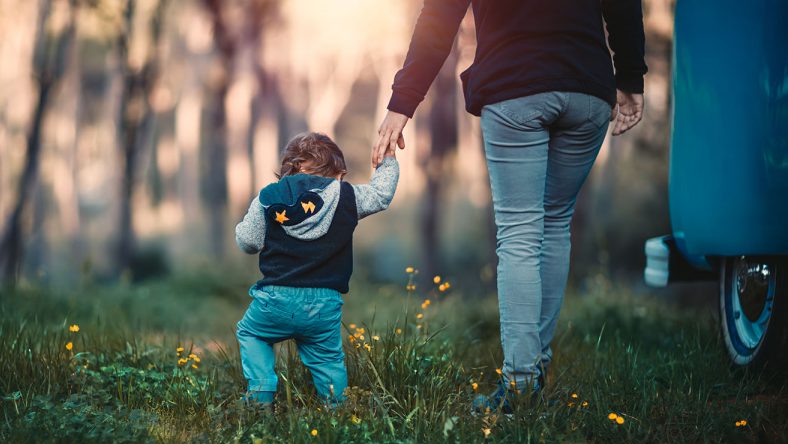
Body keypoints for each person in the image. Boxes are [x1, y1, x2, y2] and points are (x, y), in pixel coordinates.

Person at [372, 0, 647, 413]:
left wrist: (401, 104)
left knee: (520, 231)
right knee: (554, 223)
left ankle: (520, 382)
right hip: (587, 89)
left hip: (516, 86)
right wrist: (630, 77)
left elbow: (439, 18)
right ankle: (535, 369)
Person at [235, 132, 399, 406]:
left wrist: (245, 228)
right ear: (337, 172)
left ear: (289, 167)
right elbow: (381, 195)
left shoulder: (268, 197)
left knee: (251, 333)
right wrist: (388, 160)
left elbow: (248, 241)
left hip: (275, 300)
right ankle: (338, 411)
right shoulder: (346, 195)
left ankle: (261, 393)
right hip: (324, 303)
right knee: (327, 359)